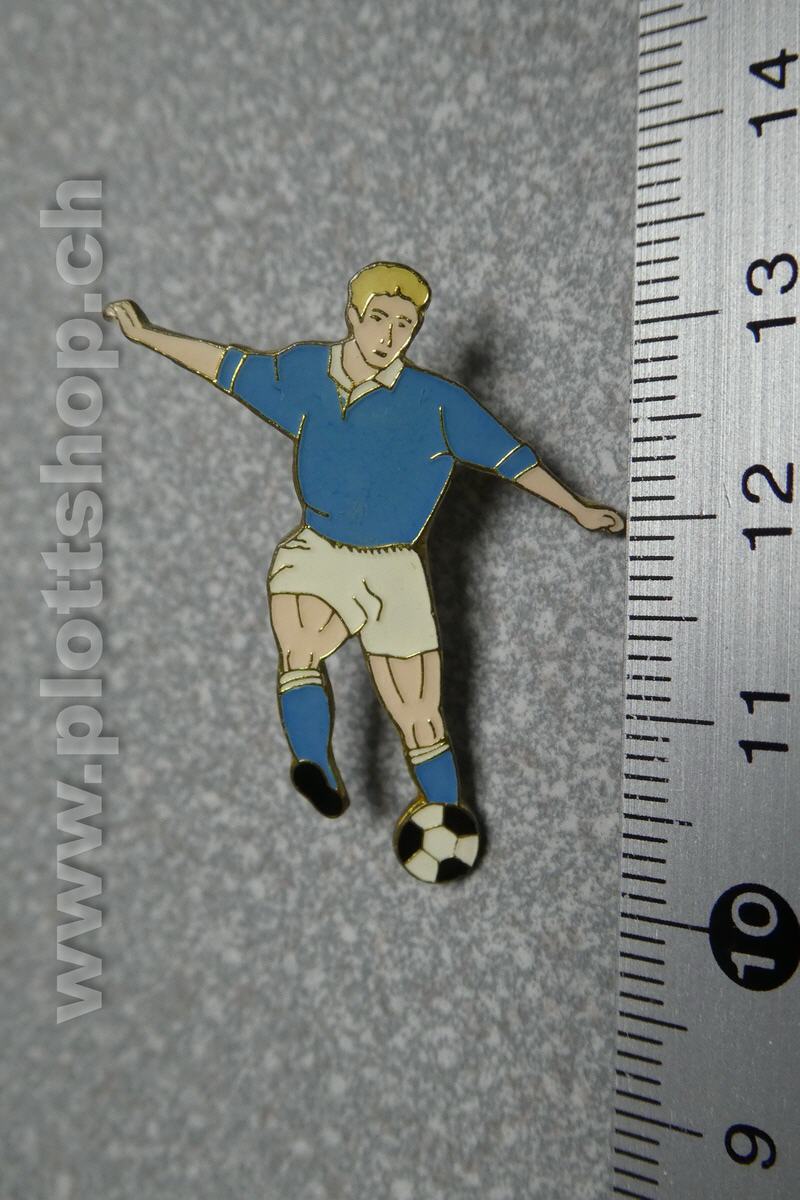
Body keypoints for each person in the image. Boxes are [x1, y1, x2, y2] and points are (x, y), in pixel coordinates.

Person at [105, 261, 623, 865]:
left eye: (405, 325)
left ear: (415, 332)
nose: (389, 335)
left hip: (394, 568)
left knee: (420, 716)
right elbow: (228, 367)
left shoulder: (437, 402)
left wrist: (579, 508)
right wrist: (148, 335)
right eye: (379, 318)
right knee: (301, 645)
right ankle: (313, 762)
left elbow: (512, 458)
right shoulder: (305, 371)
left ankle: (448, 815)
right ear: (353, 316)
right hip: (318, 549)